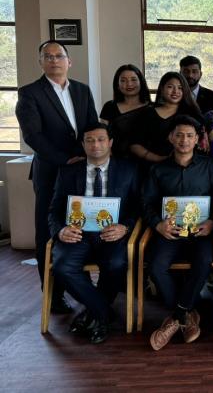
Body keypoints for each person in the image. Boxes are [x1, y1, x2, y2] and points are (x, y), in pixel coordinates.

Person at [15, 40, 98, 314]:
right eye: (47, 56)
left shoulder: (82, 90)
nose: (54, 60)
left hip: (81, 170)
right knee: (48, 230)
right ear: (41, 62)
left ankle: (80, 284)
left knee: (80, 225)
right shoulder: (30, 93)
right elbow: (32, 135)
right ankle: (52, 294)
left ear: (69, 61)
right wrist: (64, 159)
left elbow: (91, 126)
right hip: (51, 170)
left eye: (59, 56)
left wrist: (87, 157)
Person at [48, 123, 139, 343]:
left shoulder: (129, 170)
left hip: (112, 234)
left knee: (116, 264)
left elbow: (138, 207)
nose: (95, 145)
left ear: (110, 143)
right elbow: (54, 210)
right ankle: (102, 313)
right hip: (78, 234)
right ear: (83, 144)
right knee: (62, 267)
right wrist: (60, 231)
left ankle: (93, 313)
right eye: (89, 140)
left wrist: (125, 227)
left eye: (100, 139)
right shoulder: (68, 172)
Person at [142, 116, 213, 351]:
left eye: (189, 135)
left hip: (200, 232)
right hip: (170, 232)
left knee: (203, 262)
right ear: (171, 138)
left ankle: (176, 316)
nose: (184, 140)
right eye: (179, 135)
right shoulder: (158, 169)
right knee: (156, 266)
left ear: (197, 139)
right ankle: (187, 314)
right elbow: (146, 204)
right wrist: (158, 224)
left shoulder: (209, 166)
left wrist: (212, 222)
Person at [131, 72, 203, 167]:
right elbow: (134, 144)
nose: (175, 91)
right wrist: (159, 159)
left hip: (186, 167)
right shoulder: (148, 113)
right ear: (162, 88)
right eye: (170, 87)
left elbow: (201, 141)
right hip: (152, 166)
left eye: (180, 88)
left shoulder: (192, 114)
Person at [99, 64, 151, 159]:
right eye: (123, 80)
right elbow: (101, 134)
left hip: (147, 159)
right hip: (115, 158)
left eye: (133, 80)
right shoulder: (109, 106)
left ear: (141, 82)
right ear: (117, 85)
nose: (129, 84)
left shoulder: (152, 108)